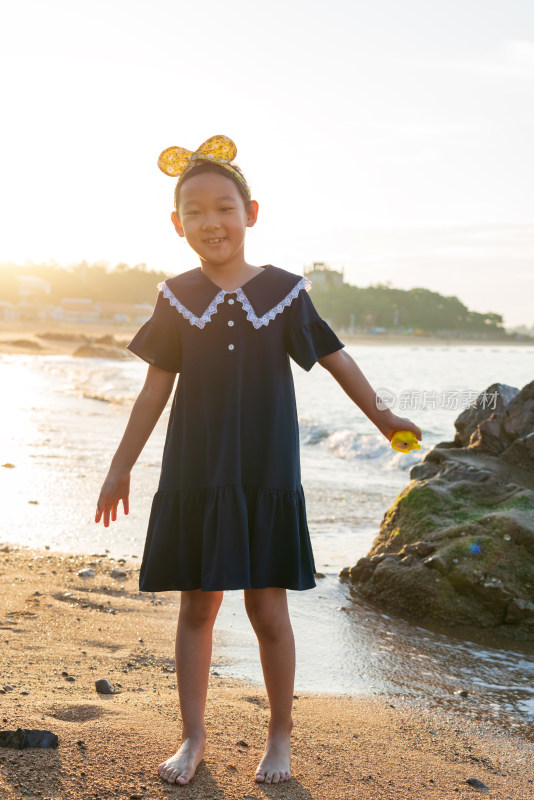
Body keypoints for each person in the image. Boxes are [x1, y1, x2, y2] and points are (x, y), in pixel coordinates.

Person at [95, 135, 422, 787]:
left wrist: (383, 418)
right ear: (176, 223)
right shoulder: (177, 295)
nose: (211, 222)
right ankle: (192, 738)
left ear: (251, 212)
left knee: (268, 609)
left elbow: (336, 358)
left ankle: (280, 737)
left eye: (224, 207)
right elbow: (155, 388)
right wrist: (120, 464)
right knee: (198, 608)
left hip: (265, 470)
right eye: (195, 212)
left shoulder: (284, 291)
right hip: (196, 470)